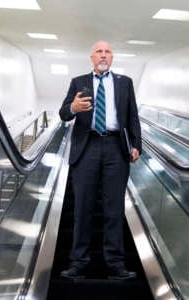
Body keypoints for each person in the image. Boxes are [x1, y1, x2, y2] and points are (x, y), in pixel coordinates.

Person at [59, 40, 142, 280]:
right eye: (99, 51)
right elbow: (64, 114)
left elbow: (133, 116)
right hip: (87, 147)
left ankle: (115, 264)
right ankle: (78, 263)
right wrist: (73, 107)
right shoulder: (79, 82)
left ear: (112, 57)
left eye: (107, 51)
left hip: (116, 147)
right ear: (91, 57)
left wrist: (136, 144)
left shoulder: (124, 83)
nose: (103, 55)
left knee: (114, 209)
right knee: (83, 208)